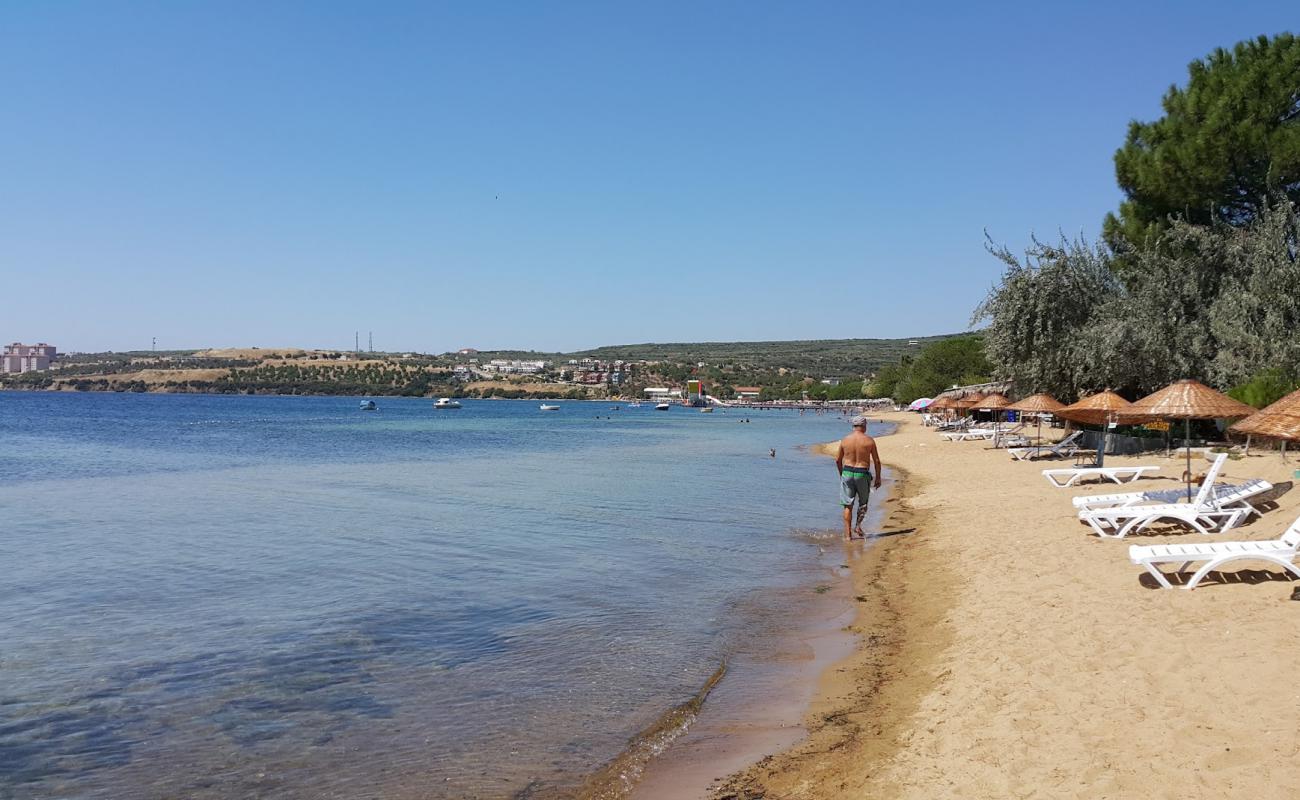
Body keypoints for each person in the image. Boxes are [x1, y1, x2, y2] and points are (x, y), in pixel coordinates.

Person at [836, 415, 882, 540]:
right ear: (864, 426)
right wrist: (878, 477)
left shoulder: (845, 440)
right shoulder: (869, 440)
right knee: (863, 503)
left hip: (847, 472)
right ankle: (857, 526)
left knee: (847, 505)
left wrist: (842, 474)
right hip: (862, 472)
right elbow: (877, 461)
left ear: (853, 426)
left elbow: (838, 460)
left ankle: (848, 535)